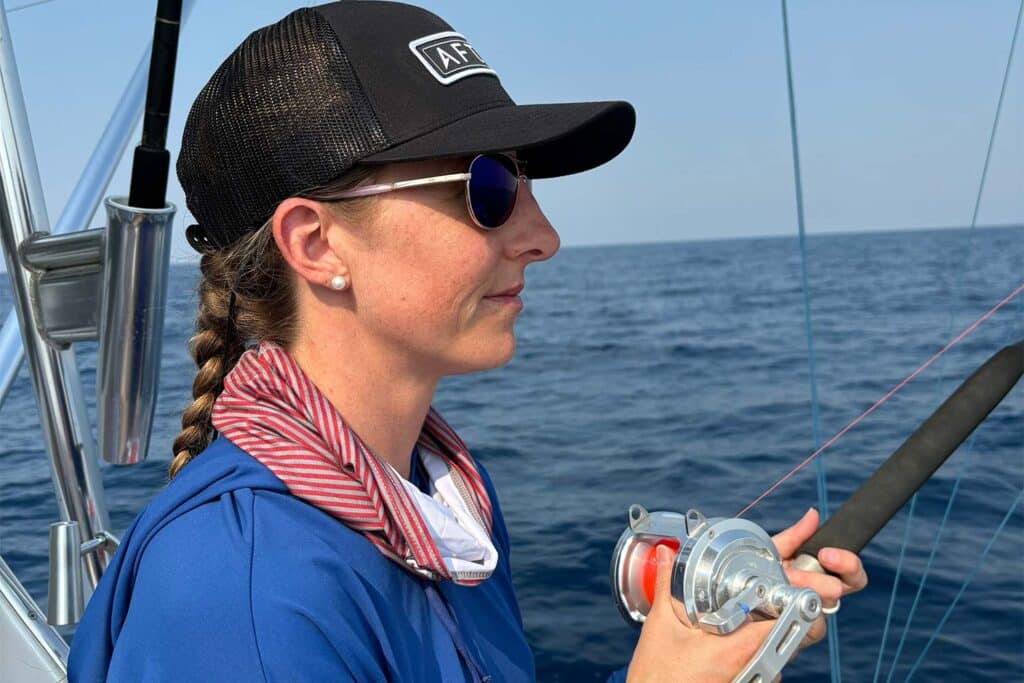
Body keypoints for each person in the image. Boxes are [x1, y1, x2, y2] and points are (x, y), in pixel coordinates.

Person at [67, 2, 867, 681]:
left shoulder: (441, 494)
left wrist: (700, 622)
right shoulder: (237, 603)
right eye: (488, 187)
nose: (543, 234)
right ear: (316, 244)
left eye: (525, 181)